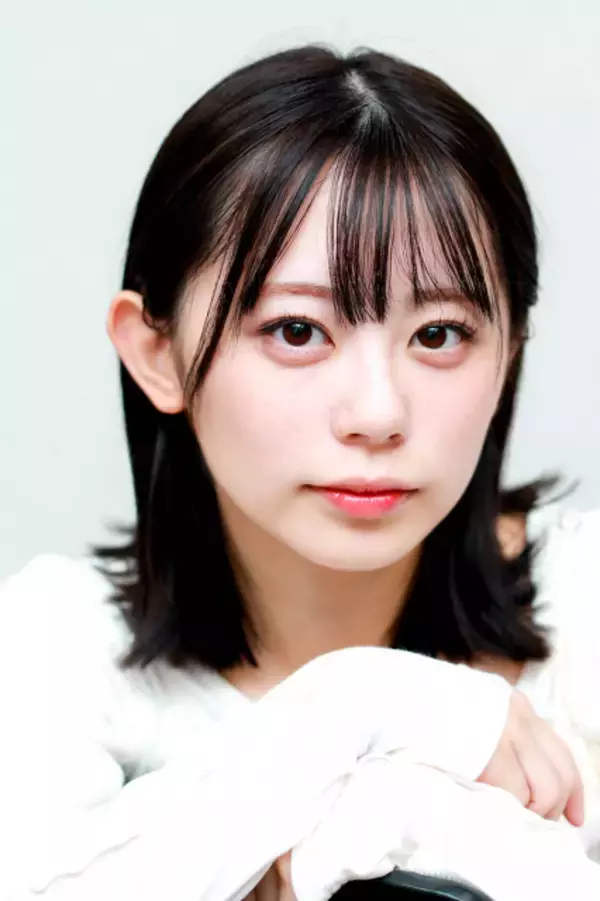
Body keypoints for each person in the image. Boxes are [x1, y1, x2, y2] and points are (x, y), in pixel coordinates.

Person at [2, 45, 599, 901]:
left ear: (509, 352)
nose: (377, 413)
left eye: (438, 334)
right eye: (296, 331)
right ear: (158, 353)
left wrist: (390, 806)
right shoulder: (56, 646)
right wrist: (357, 707)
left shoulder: (586, 602)